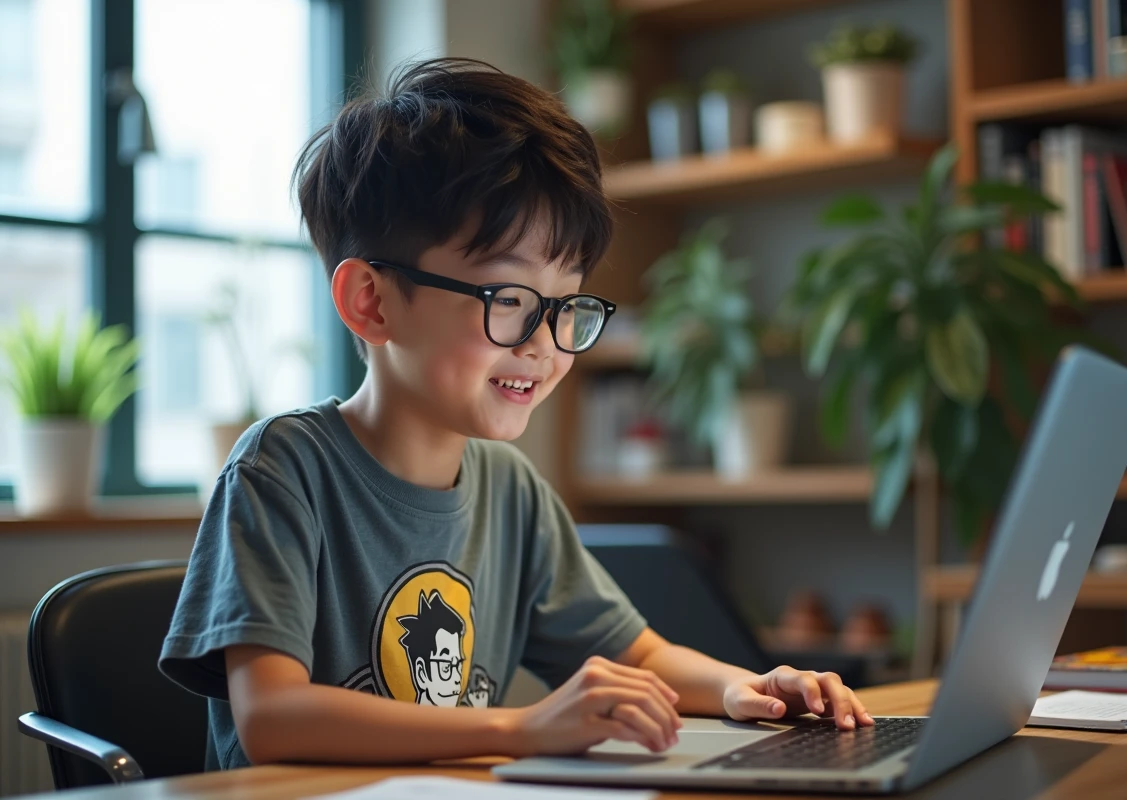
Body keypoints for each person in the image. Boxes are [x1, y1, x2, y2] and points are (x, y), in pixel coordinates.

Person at [159, 58, 873, 770]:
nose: (544, 345)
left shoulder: (510, 488)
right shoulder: (282, 470)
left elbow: (640, 652)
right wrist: (520, 730)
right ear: (371, 302)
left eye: (565, 306)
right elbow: (274, 719)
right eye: (508, 300)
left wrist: (749, 689)